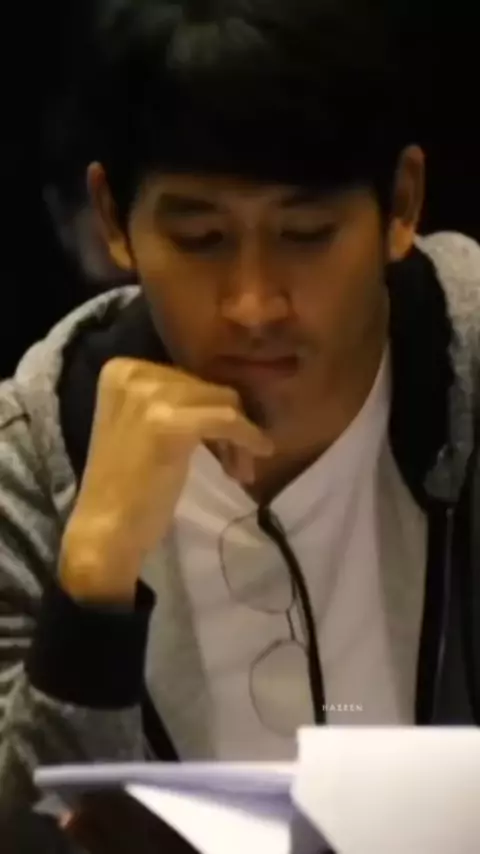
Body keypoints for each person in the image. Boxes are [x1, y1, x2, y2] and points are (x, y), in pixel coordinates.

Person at [0, 0, 479, 813]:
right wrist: (91, 588)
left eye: (307, 233)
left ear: (402, 204)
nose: (254, 305)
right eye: (202, 240)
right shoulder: (28, 462)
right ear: (113, 219)